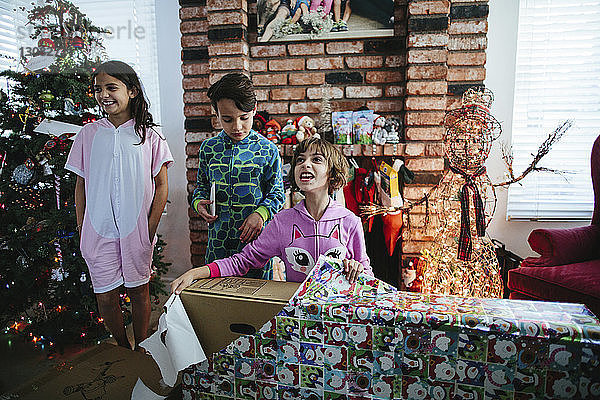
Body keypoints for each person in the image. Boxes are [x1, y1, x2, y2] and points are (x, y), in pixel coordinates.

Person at [172, 137, 372, 294]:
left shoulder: (349, 222)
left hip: (340, 315)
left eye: (316, 160)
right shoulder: (282, 223)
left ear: (332, 173)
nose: (305, 165)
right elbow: (243, 260)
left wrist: (358, 270)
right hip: (298, 316)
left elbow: (366, 273)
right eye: (300, 160)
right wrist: (195, 273)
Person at [66, 60, 173, 351]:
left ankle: (142, 347)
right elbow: (80, 185)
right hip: (96, 231)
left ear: (133, 91)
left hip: (136, 231)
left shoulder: (149, 135)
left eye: (111, 87)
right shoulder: (88, 135)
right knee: (105, 296)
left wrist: (148, 230)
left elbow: (162, 186)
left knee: (139, 292)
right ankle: (123, 347)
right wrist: (81, 227)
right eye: (98, 89)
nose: (104, 95)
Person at [190, 72, 284, 279]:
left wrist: (261, 214)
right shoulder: (209, 149)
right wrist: (199, 204)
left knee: (257, 298)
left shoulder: (267, 150)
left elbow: (277, 193)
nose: (237, 126)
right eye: (228, 119)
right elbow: (201, 188)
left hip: (256, 242)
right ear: (216, 114)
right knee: (219, 296)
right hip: (218, 239)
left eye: (244, 118)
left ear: (254, 110)